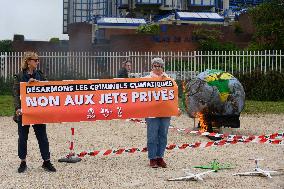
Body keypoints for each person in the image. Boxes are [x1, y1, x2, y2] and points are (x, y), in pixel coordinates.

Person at [13, 52, 56, 173]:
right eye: (35, 60)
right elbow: (16, 93)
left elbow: (48, 88)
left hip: (38, 112)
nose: (38, 62)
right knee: (22, 138)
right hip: (24, 112)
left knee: (42, 137)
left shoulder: (40, 75)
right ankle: (23, 162)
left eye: (38, 60)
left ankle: (46, 161)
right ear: (28, 61)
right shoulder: (19, 76)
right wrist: (17, 108)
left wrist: (37, 82)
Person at [144, 57, 171, 168]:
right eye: (155, 66)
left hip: (165, 111)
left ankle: (160, 157)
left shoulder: (168, 79)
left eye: (160, 66)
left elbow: (172, 95)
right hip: (151, 112)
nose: (158, 68)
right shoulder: (146, 79)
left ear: (162, 67)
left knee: (163, 135)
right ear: (152, 66)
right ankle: (152, 158)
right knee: (152, 135)